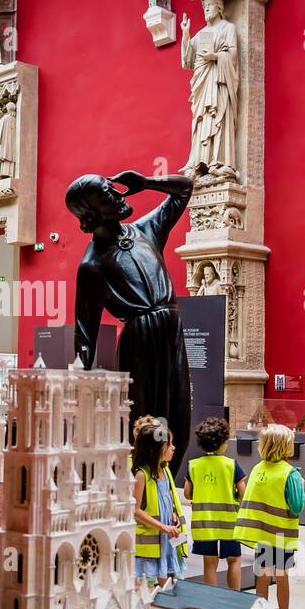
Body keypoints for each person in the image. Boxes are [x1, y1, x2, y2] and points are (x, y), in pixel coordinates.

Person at [70, 170, 193, 472]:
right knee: (144, 419)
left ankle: (165, 484)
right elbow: (85, 332)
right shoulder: (92, 264)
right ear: (92, 213)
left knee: (178, 415)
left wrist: (148, 183)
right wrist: (79, 388)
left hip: (171, 328)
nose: (118, 194)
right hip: (140, 338)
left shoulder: (145, 230)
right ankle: (141, 484)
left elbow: (184, 189)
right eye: (107, 194)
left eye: (113, 188)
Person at [234, 424, 305, 609]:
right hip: (281, 535)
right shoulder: (290, 474)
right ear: (285, 446)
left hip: (261, 535)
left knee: (262, 577)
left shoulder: (257, 469)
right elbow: (297, 506)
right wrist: (300, 487)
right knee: (282, 577)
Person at [183, 416, 246, 588]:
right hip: (229, 524)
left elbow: (188, 494)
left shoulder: (193, 465)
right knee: (234, 561)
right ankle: (233, 598)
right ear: (223, 442)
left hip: (204, 525)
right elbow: (243, 494)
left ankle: (212, 602)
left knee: (210, 563)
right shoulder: (231, 465)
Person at [131, 416, 188, 587]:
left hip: (167, 539)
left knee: (169, 581)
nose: (173, 448)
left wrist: (172, 515)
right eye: (168, 445)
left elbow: (166, 499)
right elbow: (135, 510)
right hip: (151, 542)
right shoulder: (141, 475)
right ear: (155, 449)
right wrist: (162, 526)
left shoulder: (164, 471)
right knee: (145, 586)